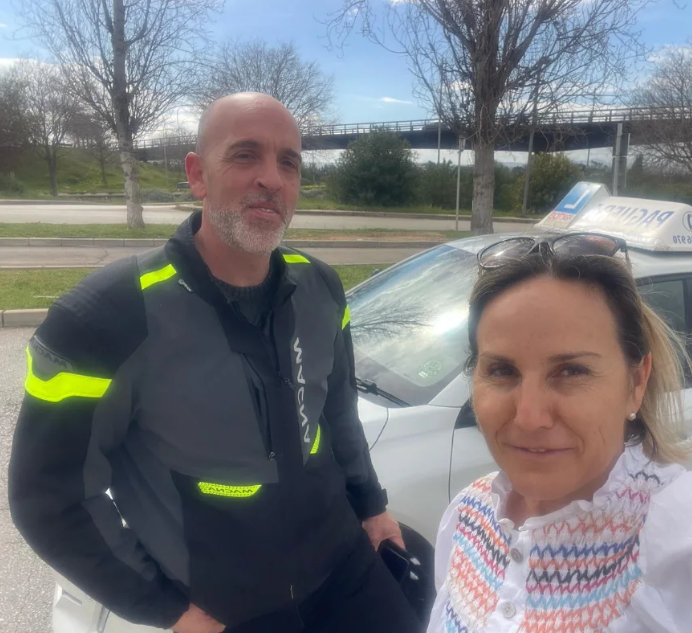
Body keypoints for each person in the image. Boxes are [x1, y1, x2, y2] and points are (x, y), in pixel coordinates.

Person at [9, 92, 421, 633]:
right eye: (245, 155)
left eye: (289, 162)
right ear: (198, 175)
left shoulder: (321, 286)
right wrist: (166, 611)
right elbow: (49, 497)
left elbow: (338, 414)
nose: (271, 179)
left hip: (345, 571)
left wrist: (371, 505)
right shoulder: (106, 316)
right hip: (226, 611)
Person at [426, 235, 692, 633]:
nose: (529, 416)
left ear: (636, 382)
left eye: (571, 371)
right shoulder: (469, 514)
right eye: (501, 371)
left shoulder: (681, 531)